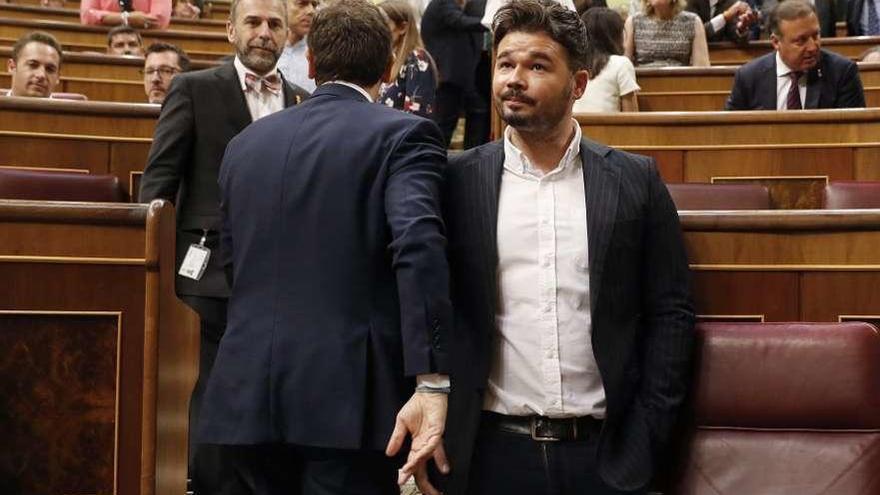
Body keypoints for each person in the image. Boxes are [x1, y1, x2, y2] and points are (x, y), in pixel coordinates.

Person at [441, 1, 695, 494]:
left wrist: (645, 441)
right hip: (492, 455)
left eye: (537, 66)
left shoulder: (633, 180)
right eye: (505, 64)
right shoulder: (457, 180)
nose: (515, 79)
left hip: (605, 455)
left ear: (578, 85)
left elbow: (671, 313)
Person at [197, 0, 452, 494]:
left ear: (310, 63)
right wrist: (432, 378)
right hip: (346, 400)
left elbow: (233, 262)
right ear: (388, 67)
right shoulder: (406, 135)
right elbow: (418, 248)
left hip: (245, 392)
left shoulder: (245, 144)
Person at [138, 0, 309, 490]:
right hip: (204, 273)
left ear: (287, 34)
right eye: (253, 22)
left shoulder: (301, 99)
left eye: (274, 24)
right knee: (211, 390)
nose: (263, 33)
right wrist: (160, 267)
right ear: (230, 29)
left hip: (281, 275)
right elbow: (159, 185)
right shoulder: (193, 89)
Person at [726, 0, 865, 110]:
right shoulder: (748, 77)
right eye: (801, 40)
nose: (812, 47)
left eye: (816, 35)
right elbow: (729, 133)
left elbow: (853, 134)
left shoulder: (842, 73)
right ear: (775, 42)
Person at [421, 0, 490, 148]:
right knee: (444, 124)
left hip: (455, 76)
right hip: (447, 77)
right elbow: (461, 21)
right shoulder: (443, 3)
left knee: (475, 110)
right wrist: (490, 22)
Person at [378, 0, 438, 118]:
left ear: (402, 28)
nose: (377, 29)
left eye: (383, 23)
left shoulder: (417, 59)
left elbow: (418, 112)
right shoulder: (383, 55)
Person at [574, 7, 640, 112]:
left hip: (577, 127)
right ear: (616, 35)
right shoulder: (622, 63)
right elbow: (632, 117)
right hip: (609, 128)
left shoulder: (573, 64)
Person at [624, 0, 710, 66]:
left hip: (681, 85)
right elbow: (623, 66)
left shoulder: (693, 22)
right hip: (644, 86)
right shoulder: (634, 22)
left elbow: (702, 69)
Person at [4, 31, 62, 98]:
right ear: (12, 67)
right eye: (33, 65)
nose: (41, 75)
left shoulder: (70, 108)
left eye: (50, 69)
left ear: (58, 77)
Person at [276, 0, 318, 92]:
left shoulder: (320, 53)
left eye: (314, 5)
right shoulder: (263, 49)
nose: (311, 11)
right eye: (302, 3)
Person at [686, 0, 758, 42]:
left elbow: (734, 35)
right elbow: (692, 35)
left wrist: (741, 28)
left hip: (721, 56)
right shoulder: (689, 2)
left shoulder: (731, 2)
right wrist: (724, 17)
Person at [80, 0, 171, 29]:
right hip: (102, 41)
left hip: (148, 42)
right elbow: (87, 16)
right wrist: (126, 18)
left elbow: (159, 19)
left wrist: (106, 18)